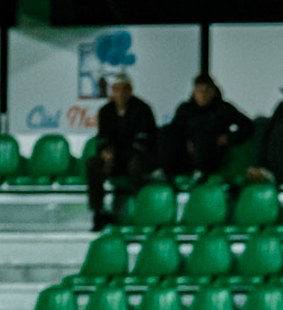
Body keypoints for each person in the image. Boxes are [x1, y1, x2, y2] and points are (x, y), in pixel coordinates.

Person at [86, 74, 158, 229]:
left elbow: (147, 139)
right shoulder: (106, 111)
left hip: (135, 157)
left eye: (124, 89)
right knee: (93, 164)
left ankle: (137, 209)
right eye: (117, 90)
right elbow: (102, 137)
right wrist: (106, 152)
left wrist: (124, 152)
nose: (120, 94)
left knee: (136, 165)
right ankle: (98, 212)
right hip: (114, 160)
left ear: (130, 90)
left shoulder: (143, 109)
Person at [160, 73, 250, 181]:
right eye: (199, 91)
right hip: (186, 153)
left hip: (212, 154)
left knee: (202, 135)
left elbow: (247, 126)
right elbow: (175, 130)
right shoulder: (185, 109)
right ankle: (165, 172)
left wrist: (227, 138)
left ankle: (200, 172)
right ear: (194, 92)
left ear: (214, 91)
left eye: (207, 91)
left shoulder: (223, 109)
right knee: (165, 131)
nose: (203, 95)